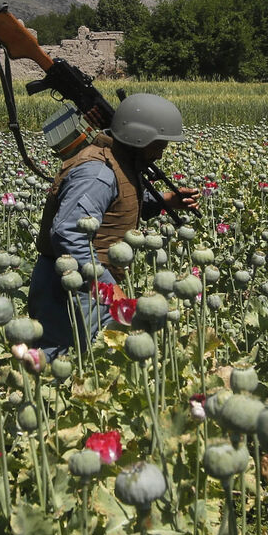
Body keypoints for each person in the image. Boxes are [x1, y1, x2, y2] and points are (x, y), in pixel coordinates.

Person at [28, 92, 199, 360]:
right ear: (140, 139)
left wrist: (166, 201)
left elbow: (114, 203)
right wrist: (107, 288)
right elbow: (69, 234)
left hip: (89, 280)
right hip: (72, 287)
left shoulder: (116, 160)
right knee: (63, 364)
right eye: (160, 145)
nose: (162, 153)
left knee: (92, 363)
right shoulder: (97, 173)